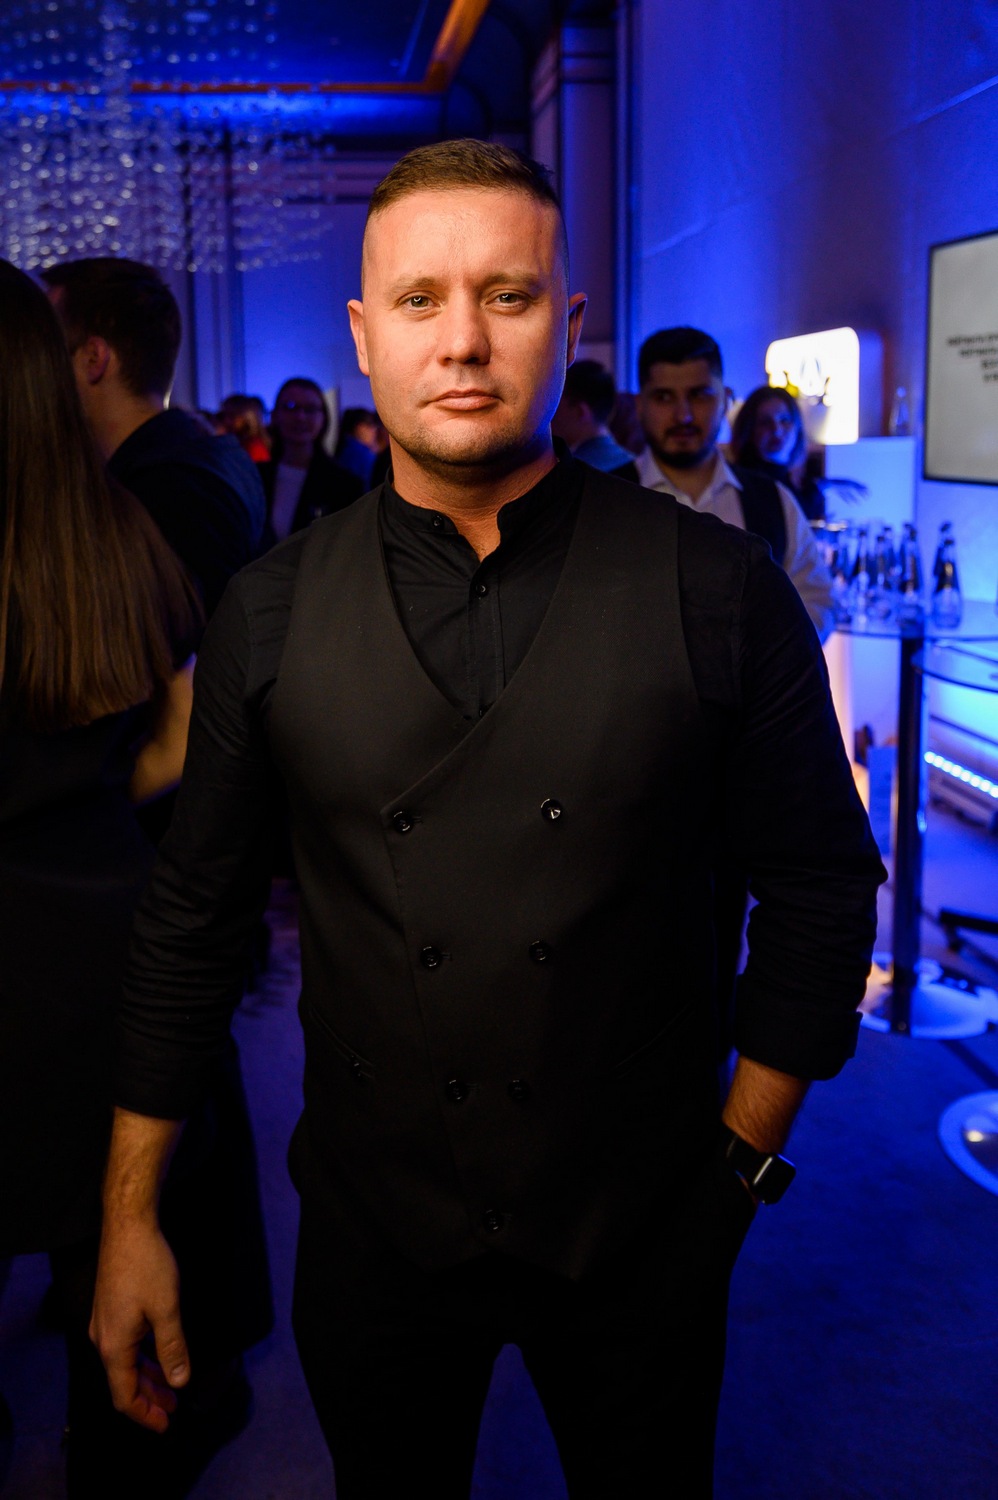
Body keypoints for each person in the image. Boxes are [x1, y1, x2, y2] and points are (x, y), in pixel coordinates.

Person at [91, 141, 885, 1498]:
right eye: (419, 300)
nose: (461, 339)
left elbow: (820, 884)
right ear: (364, 334)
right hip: (373, 1232)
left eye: (505, 295)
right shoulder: (269, 611)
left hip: (643, 1224)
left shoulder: (714, 586)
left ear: (565, 325)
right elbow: (190, 922)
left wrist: (736, 1171)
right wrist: (128, 1216)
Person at [0, 260, 199, 1494]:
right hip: (103, 943)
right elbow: (179, 739)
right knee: (111, 1260)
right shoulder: (115, 525)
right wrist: (72, 812)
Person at [40, 258, 266, 622]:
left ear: (94, 358)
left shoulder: (166, 491)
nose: (38, 370)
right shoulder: (204, 461)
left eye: (48, 351)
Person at [635, 327, 835, 641]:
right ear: (640, 405)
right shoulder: (603, 499)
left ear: (726, 399)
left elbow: (816, 599)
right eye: (664, 397)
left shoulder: (772, 500)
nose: (683, 416)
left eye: (699, 395)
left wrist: (771, 660)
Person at [256, 377, 364, 545]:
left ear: (323, 418)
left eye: (310, 409)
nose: (300, 417)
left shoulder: (344, 484)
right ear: (275, 415)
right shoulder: (256, 477)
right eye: (290, 407)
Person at [729, 383, 826, 521]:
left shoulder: (807, 489)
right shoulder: (740, 485)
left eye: (784, 420)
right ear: (749, 429)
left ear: (797, 426)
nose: (776, 430)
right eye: (765, 422)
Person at [551, 358, 639, 479]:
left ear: (580, 411)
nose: (552, 417)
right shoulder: (636, 466)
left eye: (556, 407)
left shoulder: (572, 474)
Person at [333, 405, 382, 488]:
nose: (374, 431)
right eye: (371, 425)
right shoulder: (364, 455)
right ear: (359, 427)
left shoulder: (342, 449)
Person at [218, 393, 272, 463]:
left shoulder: (254, 448)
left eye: (232, 416)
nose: (226, 421)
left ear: (247, 417)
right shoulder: (236, 443)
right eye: (223, 415)